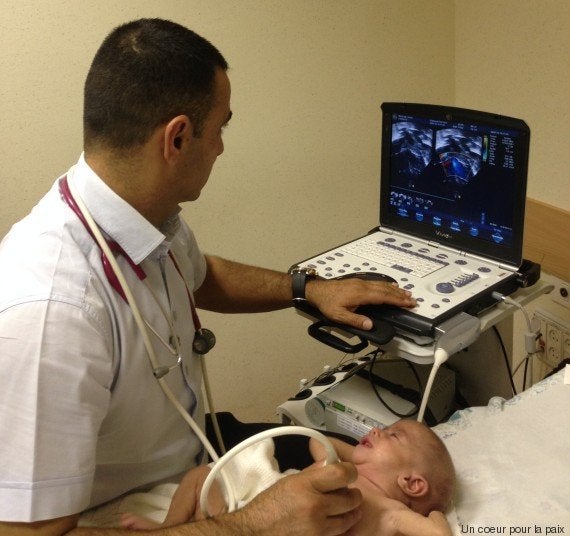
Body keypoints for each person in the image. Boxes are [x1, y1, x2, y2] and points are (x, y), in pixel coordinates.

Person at [0, 18, 417, 535]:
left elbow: (200, 276)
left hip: (196, 458)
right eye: (220, 128)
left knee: (359, 480)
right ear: (177, 137)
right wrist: (259, 524)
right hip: (126, 512)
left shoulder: (143, 214)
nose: (220, 147)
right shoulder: (51, 313)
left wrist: (306, 288)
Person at [120, 420, 455, 535]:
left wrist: (435, 510)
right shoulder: (337, 468)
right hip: (246, 516)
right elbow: (315, 441)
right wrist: (361, 459)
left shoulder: (392, 513)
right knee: (201, 475)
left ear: (412, 484)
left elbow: (437, 532)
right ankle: (169, 529)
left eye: (394, 436)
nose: (379, 429)